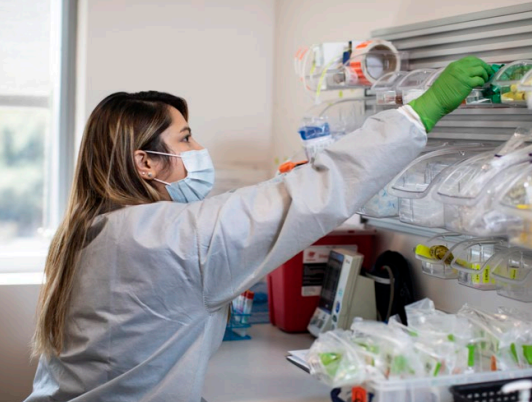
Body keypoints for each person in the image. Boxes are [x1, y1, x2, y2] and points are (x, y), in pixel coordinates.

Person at [25, 56, 493, 401]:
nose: (199, 147)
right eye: (186, 138)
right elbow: (305, 197)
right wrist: (419, 113)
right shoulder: (167, 237)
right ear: (145, 162)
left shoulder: (92, 230)